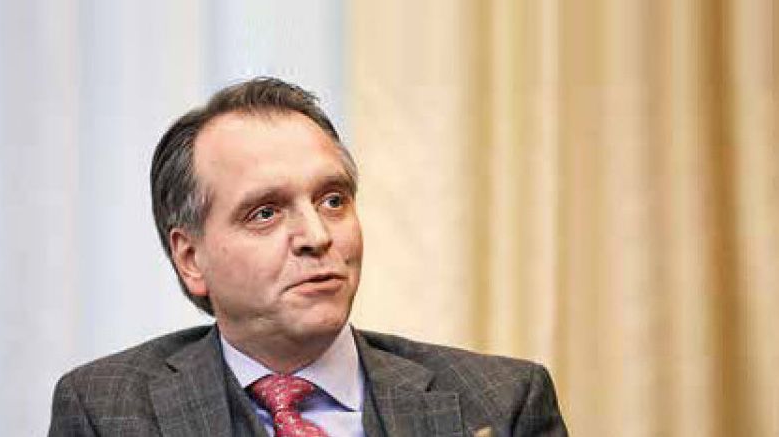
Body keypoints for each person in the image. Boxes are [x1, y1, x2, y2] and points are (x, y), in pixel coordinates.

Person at [49, 77, 568, 436]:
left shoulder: (501, 403)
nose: (317, 236)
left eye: (333, 201)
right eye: (265, 213)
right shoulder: (108, 411)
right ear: (191, 258)